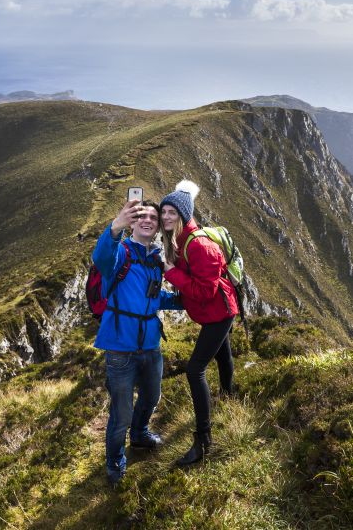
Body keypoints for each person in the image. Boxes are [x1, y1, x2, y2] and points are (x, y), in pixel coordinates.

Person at [92, 198, 182, 487]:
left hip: (151, 346)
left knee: (152, 397)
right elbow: (100, 257)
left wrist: (186, 298)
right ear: (133, 221)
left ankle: (140, 434)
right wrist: (116, 225)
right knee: (121, 412)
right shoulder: (120, 253)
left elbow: (156, 298)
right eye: (141, 216)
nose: (148, 221)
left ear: (158, 226)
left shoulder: (155, 259)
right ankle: (115, 461)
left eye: (153, 218)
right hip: (120, 347)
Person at [160, 180, 239, 466]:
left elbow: (205, 291)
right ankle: (231, 398)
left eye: (172, 212)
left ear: (184, 215)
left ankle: (203, 440)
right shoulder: (181, 241)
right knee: (223, 354)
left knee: (195, 370)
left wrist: (170, 273)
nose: (166, 217)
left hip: (219, 313)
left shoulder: (200, 246)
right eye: (163, 212)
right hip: (216, 312)